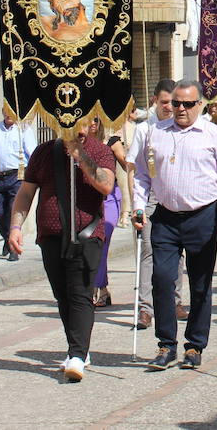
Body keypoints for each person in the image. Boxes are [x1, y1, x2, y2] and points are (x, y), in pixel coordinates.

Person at [133, 80, 217, 370]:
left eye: (187, 104)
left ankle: (194, 345)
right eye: (176, 103)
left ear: (200, 105)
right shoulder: (155, 133)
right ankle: (166, 344)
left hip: (201, 216)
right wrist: (137, 206)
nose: (180, 109)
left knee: (200, 282)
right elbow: (142, 175)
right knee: (162, 279)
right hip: (165, 216)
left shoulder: (214, 135)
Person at [8, 121, 116, 381]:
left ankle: (77, 355)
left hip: (86, 234)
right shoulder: (44, 152)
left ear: (91, 124)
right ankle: (79, 349)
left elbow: (106, 185)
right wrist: (15, 226)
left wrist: (81, 156)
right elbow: (26, 192)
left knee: (79, 293)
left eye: (81, 123)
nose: (76, 129)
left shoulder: (100, 151)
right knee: (63, 295)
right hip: (51, 236)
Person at [124, 79, 179, 330]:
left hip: (173, 195)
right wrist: (135, 204)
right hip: (150, 197)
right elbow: (132, 167)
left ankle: (175, 301)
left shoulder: (181, 128)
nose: (170, 107)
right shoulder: (145, 129)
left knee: (178, 254)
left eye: (174, 102)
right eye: (166, 102)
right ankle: (145, 307)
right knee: (147, 251)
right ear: (156, 100)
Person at [0, 104, 37, 261]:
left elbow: (32, 153)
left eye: (12, 111)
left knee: (12, 210)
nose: (9, 115)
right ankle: (7, 237)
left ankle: (13, 247)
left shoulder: (24, 129)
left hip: (16, 175)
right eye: (6, 111)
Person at [91, 117, 126, 308]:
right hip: (88, 200)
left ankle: (95, 289)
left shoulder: (112, 141)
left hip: (110, 199)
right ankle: (102, 289)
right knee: (90, 247)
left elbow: (127, 164)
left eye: (96, 119)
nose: (93, 123)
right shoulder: (79, 143)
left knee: (101, 244)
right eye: (90, 119)